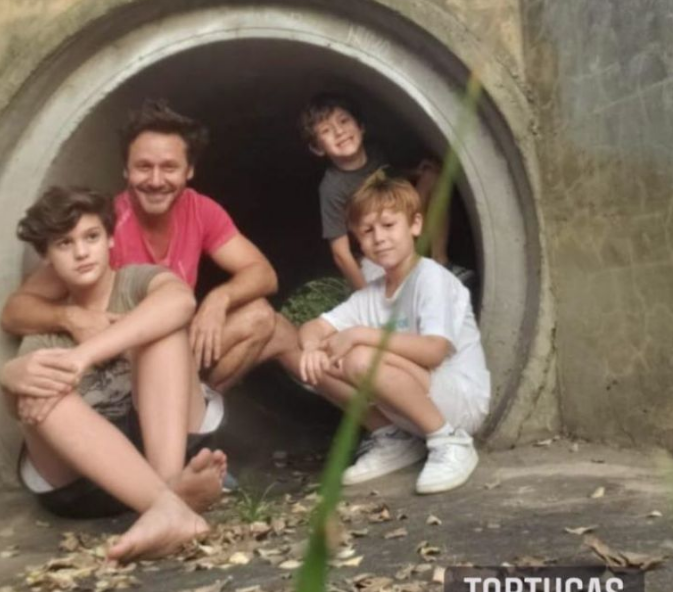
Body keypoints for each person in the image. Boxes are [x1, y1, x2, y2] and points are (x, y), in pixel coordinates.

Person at [1, 100, 297, 392]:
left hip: (176, 347)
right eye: (143, 167)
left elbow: (263, 274)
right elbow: (14, 312)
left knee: (262, 317)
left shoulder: (201, 210)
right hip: (120, 361)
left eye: (169, 167)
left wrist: (219, 299)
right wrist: (71, 318)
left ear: (189, 171)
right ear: (126, 170)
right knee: (274, 329)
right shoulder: (101, 229)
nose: (156, 181)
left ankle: (198, 400)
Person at [0, 186, 227, 561]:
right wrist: (12, 379)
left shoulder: (136, 282)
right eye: (64, 244)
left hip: (165, 446)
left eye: (91, 237)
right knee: (37, 384)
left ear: (109, 239)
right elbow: (24, 409)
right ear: (47, 258)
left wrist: (82, 357)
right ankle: (171, 503)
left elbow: (179, 301)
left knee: (165, 331)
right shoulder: (45, 330)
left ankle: (166, 500)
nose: (81, 252)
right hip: (86, 479)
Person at [298, 172, 490, 494]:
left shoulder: (431, 278)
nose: (379, 238)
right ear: (358, 241)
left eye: (389, 225)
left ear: (415, 225)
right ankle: (395, 439)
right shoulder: (370, 295)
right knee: (319, 362)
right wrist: (310, 348)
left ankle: (449, 441)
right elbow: (314, 327)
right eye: (367, 231)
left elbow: (434, 351)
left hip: (460, 402)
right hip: (416, 400)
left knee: (360, 358)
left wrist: (360, 334)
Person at [298, 91, 473, 291]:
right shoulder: (333, 188)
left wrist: (414, 172)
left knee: (433, 176)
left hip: (405, 228)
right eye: (326, 130)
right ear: (318, 148)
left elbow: (388, 175)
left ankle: (441, 262)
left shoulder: (376, 153)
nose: (339, 132)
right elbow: (340, 253)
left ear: (361, 126)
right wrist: (365, 296)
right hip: (377, 254)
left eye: (344, 121)